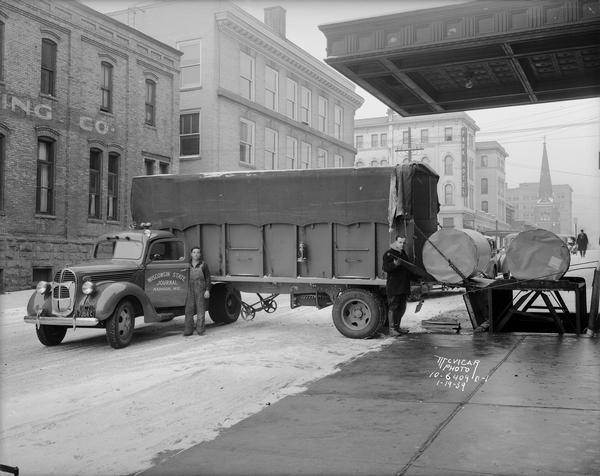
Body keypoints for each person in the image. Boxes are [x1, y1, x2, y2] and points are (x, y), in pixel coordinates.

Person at [382, 236, 414, 337]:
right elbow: (385, 268)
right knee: (393, 307)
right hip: (394, 286)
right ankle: (392, 330)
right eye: (400, 242)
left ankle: (397, 327)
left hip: (403, 286)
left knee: (401, 307)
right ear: (395, 242)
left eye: (404, 243)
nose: (402, 245)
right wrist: (394, 264)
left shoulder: (403, 253)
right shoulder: (389, 254)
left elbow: (407, 268)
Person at [184, 247, 211, 336]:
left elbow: (207, 278)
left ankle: (200, 329)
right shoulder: (186, 264)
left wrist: (207, 290)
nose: (196, 254)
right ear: (191, 254)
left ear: (200, 254)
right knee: (189, 310)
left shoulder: (203, 265)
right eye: (194, 252)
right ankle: (188, 330)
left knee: (201, 309)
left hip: (200, 288)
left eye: (198, 252)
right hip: (190, 288)